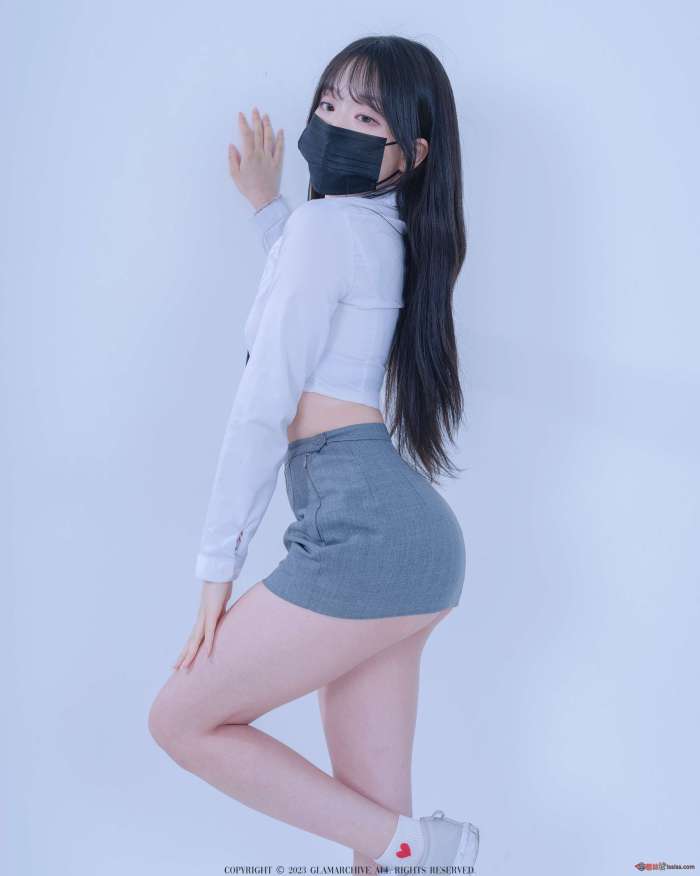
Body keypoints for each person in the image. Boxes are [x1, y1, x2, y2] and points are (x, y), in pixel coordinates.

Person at [148, 35, 479, 871]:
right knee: (378, 845)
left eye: (365, 117)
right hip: (412, 544)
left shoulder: (327, 228)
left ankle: (419, 844)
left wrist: (217, 569)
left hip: (362, 532)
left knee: (180, 719)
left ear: (412, 153)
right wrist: (270, 210)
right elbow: (311, 288)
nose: (335, 125)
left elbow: (262, 408)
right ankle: (410, 848)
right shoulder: (384, 234)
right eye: (328, 104)